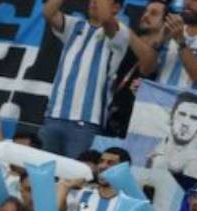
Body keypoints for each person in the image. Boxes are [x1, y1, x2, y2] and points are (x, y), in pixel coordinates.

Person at [39, 0, 156, 158]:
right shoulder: (75, 25)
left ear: (116, 8)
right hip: (53, 116)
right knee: (43, 169)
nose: (94, 2)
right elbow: (48, 12)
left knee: (77, 171)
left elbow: (106, 18)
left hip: (87, 123)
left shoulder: (119, 32)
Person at [146, 92, 197, 179]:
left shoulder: (196, 162)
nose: (185, 123)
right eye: (182, 114)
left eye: (194, 118)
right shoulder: (156, 149)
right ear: (171, 118)